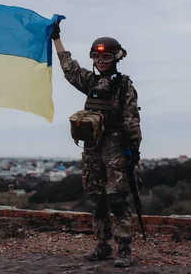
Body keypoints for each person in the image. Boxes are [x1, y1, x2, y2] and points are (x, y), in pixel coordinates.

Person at [51, 22, 142, 268]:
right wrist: (56, 38)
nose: (100, 60)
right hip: (92, 147)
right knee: (97, 198)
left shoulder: (124, 86)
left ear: (116, 58)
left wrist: (133, 151)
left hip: (115, 147)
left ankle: (123, 248)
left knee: (117, 199)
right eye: (96, 56)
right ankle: (102, 245)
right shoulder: (90, 82)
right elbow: (70, 69)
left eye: (106, 56)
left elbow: (131, 120)